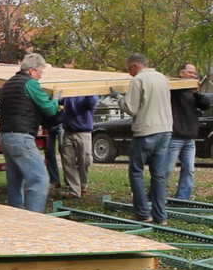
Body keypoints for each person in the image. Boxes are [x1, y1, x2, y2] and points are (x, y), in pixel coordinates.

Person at [110, 53, 172, 224]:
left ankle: (143, 213)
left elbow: (131, 108)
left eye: (129, 69)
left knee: (136, 171)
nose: (129, 73)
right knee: (158, 175)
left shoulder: (138, 80)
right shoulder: (162, 78)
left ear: (136, 66)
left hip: (146, 130)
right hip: (165, 130)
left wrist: (117, 97)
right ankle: (160, 216)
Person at [0, 53, 61, 213]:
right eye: (40, 72)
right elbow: (49, 109)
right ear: (32, 70)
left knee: (15, 181)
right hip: (21, 137)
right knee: (40, 180)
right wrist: (56, 100)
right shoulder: (30, 84)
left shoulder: (8, 84)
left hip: (5, 136)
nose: (40, 77)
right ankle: (34, 221)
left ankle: (16, 217)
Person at [166, 63, 210, 199]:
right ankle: (155, 196)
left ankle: (182, 199)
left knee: (189, 170)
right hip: (175, 137)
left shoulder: (193, 93)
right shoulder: (173, 90)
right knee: (166, 170)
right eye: (190, 72)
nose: (193, 75)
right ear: (182, 73)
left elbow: (205, 105)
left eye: (194, 73)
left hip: (190, 139)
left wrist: (196, 93)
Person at [60, 95, 99, 199]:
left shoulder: (89, 93)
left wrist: (88, 92)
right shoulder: (69, 93)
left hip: (83, 131)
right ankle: (74, 190)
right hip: (68, 131)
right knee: (68, 161)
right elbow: (59, 100)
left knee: (85, 160)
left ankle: (82, 186)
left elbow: (92, 103)